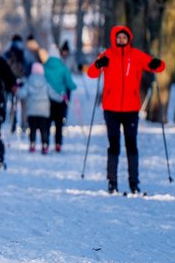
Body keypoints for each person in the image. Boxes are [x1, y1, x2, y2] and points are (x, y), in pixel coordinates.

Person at [87, 26, 165, 194]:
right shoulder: (107, 55)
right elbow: (91, 73)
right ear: (114, 39)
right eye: (118, 38)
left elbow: (157, 67)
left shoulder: (136, 55)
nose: (121, 40)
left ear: (129, 39)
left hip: (131, 109)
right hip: (111, 109)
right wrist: (99, 63)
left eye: (124, 38)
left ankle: (134, 183)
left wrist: (156, 63)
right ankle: (112, 182)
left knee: (132, 145)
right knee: (113, 145)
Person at [41, 45, 76, 152]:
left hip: (47, 99)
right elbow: (70, 84)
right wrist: (72, 87)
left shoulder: (44, 67)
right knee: (59, 123)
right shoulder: (63, 67)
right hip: (61, 99)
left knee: (46, 123)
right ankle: (58, 144)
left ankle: (45, 144)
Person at [19, 62, 59, 153]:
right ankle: (44, 145)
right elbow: (52, 93)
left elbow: (22, 93)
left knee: (32, 129)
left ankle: (32, 144)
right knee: (44, 129)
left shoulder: (29, 80)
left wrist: (17, 91)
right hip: (43, 111)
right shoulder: (46, 81)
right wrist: (61, 97)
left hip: (31, 110)